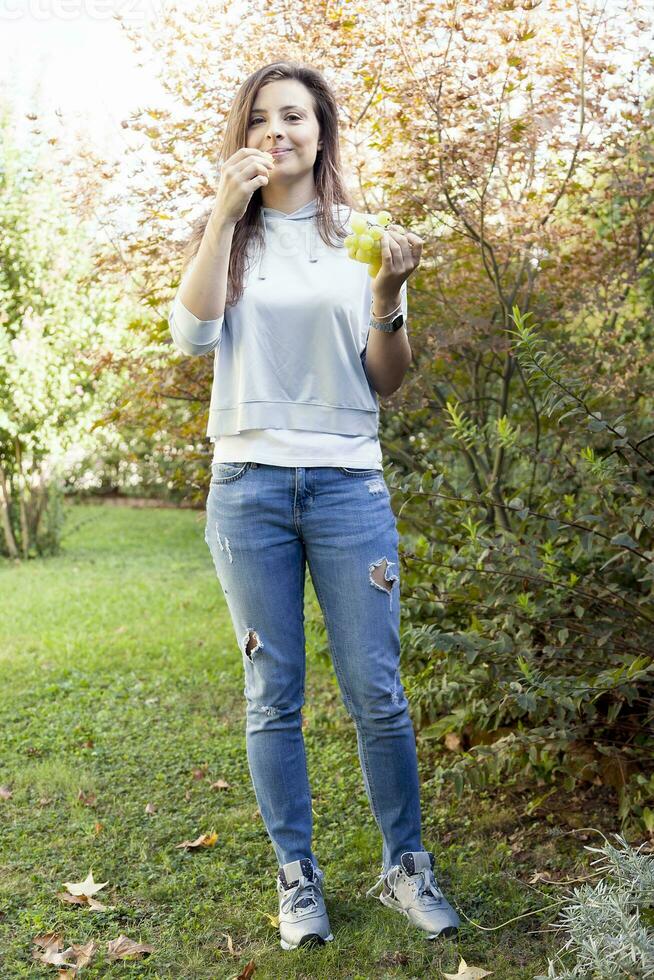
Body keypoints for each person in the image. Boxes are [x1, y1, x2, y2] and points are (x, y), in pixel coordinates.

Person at [168, 60, 460, 952]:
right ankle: (298, 880)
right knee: (273, 694)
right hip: (248, 488)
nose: (277, 132)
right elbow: (191, 339)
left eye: (293, 116)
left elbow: (387, 383)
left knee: (377, 691)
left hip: (348, 486)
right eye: (259, 119)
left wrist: (388, 295)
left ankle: (406, 865)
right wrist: (222, 212)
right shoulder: (229, 235)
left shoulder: (361, 238)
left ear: (321, 131)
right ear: (244, 134)